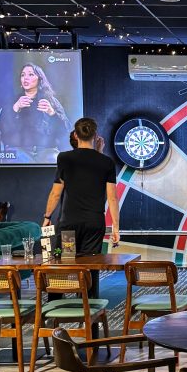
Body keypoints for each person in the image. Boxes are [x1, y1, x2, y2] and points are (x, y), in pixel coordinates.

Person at [42, 118, 119, 296]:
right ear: (95, 136)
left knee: (62, 265)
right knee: (90, 268)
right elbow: (112, 198)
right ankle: (90, 308)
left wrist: (47, 216)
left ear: (76, 135)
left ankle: (56, 307)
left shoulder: (64, 158)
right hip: (94, 224)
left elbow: (56, 193)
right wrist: (116, 227)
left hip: (69, 224)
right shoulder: (106, 162)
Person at [0, 63, 70, 163]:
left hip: (47, 150)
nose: (25, 78)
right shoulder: (14, 101)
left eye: (30, 74)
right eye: (23, 75)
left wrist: (52, 113)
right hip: (19, 149)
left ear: (40, 79)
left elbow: (66, 129)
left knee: (54, 160)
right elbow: (1, 127)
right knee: (16, 159)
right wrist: (15, 108)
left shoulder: (51, 101)